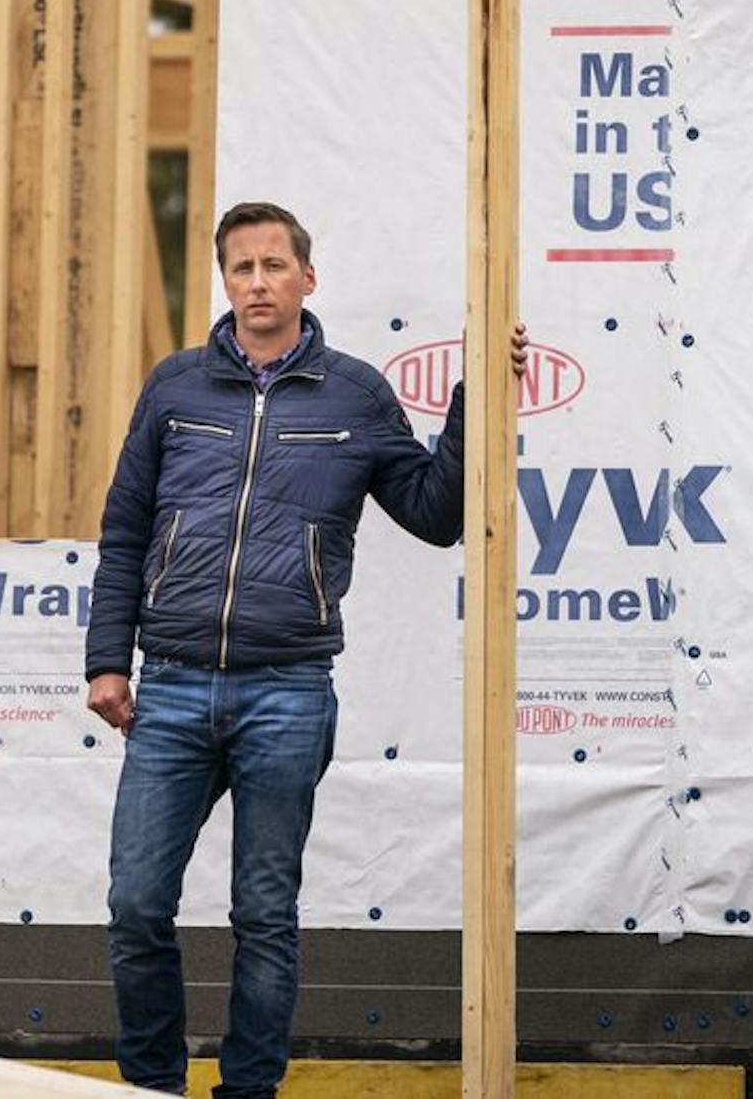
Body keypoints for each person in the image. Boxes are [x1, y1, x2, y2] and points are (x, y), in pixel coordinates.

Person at [85, 200, 526, 1098]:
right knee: (136, 905)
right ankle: (148, 1088)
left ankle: (249, 1092)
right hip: (168, 686)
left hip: (287, 689)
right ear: (225, 280)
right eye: (241, 267)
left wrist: (477, 391)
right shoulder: (173, 389)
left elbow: (436, 513)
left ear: (307, 278)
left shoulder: (356, 394)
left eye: (274, 265)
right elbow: (125, 530)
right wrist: (106, 660)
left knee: (265, 915)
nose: (257, 282)